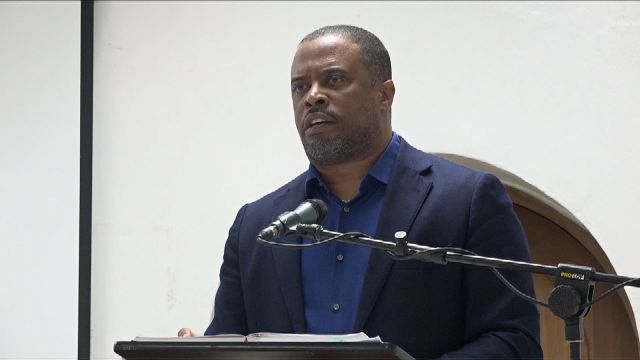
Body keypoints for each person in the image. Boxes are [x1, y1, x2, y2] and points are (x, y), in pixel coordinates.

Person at [180, 25, 542, 359]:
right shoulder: (256, 226)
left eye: (334, 79)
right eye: (299, 86)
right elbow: (229, 340)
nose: (313, 97)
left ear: (384, 94)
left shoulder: (467, 200)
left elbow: (513, 340)